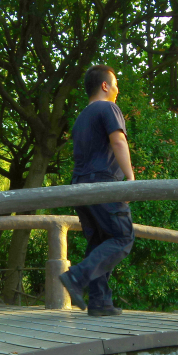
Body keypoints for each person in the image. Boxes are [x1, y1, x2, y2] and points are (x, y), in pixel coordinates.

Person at [57, 65, 135, 316]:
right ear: (104, 86)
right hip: (102, 183)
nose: (117, 89)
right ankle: (77, 277)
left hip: (79, 185)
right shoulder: (108, 107)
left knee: (99, 241)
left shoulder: (81, 117)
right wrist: (131, 178)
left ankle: (100, 302)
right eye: (115, 84)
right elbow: (118, 140)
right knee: (123, 238)